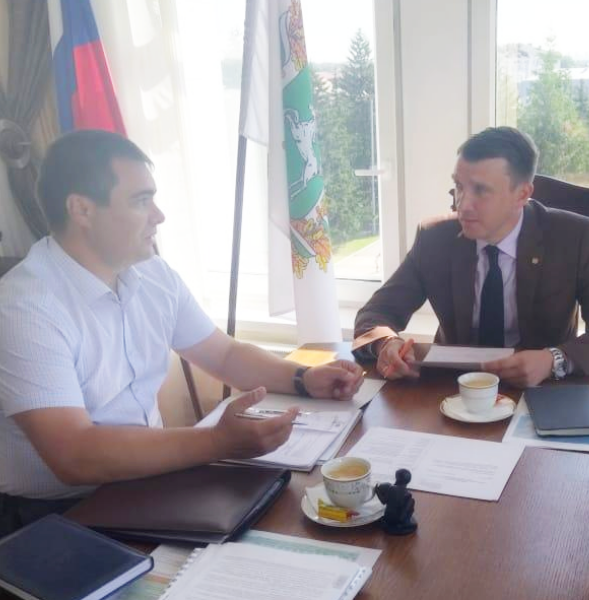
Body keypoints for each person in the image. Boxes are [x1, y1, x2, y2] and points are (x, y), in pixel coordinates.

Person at [0, 129, 363, 534]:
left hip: (148, 482)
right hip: (54, 516)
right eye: (141, 201)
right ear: (82, 210)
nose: (159, 215)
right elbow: (74, 455)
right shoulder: (25, 308)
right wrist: (218, 442)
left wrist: (303, 378)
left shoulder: (152, 273)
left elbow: (223, 354)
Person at [353, 126, 589, 387]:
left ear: (522, 194)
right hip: (453, 388)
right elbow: (375, 315)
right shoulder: (435, 238)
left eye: (481, 190)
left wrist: (553, 359)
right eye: (459, 186)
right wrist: (386, 344)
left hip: (542, 389)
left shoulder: (571, 238)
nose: (463, 204)